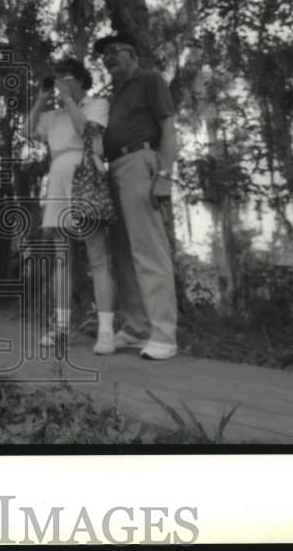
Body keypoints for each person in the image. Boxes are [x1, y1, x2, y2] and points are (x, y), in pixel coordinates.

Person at [93, 35, 179, 361]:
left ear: (133, 53)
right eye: (103, 55)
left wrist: (165, 177)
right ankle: (136, 327)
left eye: (114, 51)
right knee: (122, 254)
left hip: (139, 163)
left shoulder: (149, 79)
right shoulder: (114, 96)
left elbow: (169, 127)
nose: (107, 58)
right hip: (111, 171)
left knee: (148, 250)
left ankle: (164, 335)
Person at [24, 57, 117, 356]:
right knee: (61, 257)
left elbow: (87, 132)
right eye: (58, 78)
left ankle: (106, 331)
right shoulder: (53, 116)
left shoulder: (97, 105)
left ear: (80, 80)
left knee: (97, 256)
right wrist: (41, 99)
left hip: (86, 175)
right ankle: (61, 326)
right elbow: (28, 131)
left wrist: (67, 98)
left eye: (67, 78)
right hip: (58, 179)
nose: (61, 82)